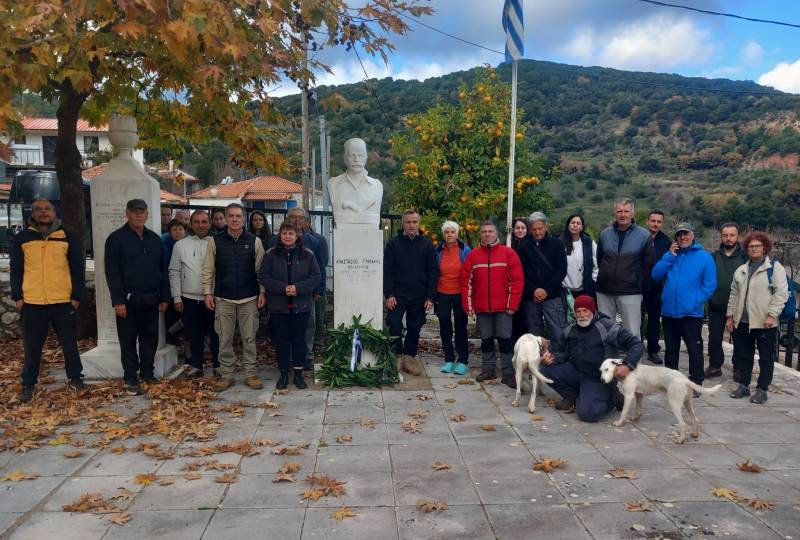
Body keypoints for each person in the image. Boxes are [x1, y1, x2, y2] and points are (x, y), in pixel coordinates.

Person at [11, 198, 86, 403]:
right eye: (39, 209)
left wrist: (76, 297)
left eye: (47, 209)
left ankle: (75, 379)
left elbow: (77, 269)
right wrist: (18, 297)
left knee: (69, 345)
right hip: (32, 302)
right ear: (33, 213)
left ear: (54, 212)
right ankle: (28, 384)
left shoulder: (67, 237)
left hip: (62, 301)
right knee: (32, 347)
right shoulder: (23, 238)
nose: (43, 212)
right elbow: (16, 270)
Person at [541, 295, 642, 421]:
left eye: (585, 311)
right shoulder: (570, 328)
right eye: (578, 311)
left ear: (592, 311)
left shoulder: (607, 327)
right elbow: (562, 352)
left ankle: (613, 397)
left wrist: (627, 365)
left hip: (599, 377)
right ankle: (573, 397)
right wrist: (552, 357)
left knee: (587, 414)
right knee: (545, 368)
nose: (581, 315)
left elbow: (636, 345)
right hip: (577, 372)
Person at [105, 199, 170, 395]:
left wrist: (164, 297)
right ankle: (130, 377)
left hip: (152, 299)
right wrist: (118, 301)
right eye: (135, 212)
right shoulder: (116, 239)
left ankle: (147, 374)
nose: (138, 215)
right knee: (128, 340)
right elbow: (112, 272)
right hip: (128, 301)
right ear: (127, 214)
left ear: (147, 214)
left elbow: (163, 270)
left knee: (149, 339)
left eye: (142, 212)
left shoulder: (154, 239)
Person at [202, 203, 266, 391]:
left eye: (238, 216)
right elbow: (208, 269)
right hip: (223, 298)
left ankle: (250, 374)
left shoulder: (255, 241)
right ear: (226, 218)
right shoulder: (214, 241)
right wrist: (207, 293)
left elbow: (261, 270)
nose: (235, 219)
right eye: (231, 216)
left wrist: (262, 292)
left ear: (243, 218)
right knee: (224, 339)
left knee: (249, 338)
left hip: (249, 298)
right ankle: (226, 375)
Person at [651, 223, 716, 388]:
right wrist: (669, 256)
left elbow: (710, 285)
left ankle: (696, 383)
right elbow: (655, 274)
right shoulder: (671, 256)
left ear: (692, 236)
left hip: (691, 314)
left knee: (694, 350)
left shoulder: (704, 257)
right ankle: (671, 383)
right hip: (669, 313)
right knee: (671, 350)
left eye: (686, 234)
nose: (683, 237)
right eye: (679, 235)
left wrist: (694, 303)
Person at [727, 232, 789, 404]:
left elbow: (781, 294)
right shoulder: (741, 270)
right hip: (742, 321)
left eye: (757, 246)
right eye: (751, 246)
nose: (754, 248)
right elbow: (734, 294)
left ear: (764, 248)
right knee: (743, 355)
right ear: (747, 249)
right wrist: (730, 316)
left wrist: (772, 315)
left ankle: (762, 389)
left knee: (766, 358)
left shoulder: (774, 268)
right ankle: (744, 385)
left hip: (765, 322)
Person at [461, 220, 524, 387]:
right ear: (480, 234)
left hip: (504, 308)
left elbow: (517, 281)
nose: (487, 234)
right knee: (486, 340)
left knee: (505, 340)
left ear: (496, 233)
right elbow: (466, 282)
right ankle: (489, 368)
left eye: (490, 231)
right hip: (482, 308)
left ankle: (508, 372)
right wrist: (468, 305)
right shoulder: (473, 255)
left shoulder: (508, 253)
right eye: (484, 232)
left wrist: (512, 304)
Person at [259, 221, 321, 389]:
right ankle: (284, 374)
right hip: (279, 306)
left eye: (291, 233)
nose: (287, 236)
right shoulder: (271, 254)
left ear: (297, 235)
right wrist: (282, 288)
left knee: (299, 340)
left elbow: (316, 276)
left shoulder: (307, 254)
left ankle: (299, 374)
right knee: (282, 341)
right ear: (280, 235)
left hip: (301, 306)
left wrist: (298, 288)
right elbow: (264, 276)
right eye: (284, 233)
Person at [271, 208, 327, 369]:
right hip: (281, 293)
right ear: (287, 219)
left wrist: (318, 289)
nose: (296, 220)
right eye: (293, 217)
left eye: (300, 218)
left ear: (305, 221)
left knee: (308, 324)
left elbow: (320, 268)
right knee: (285, 326)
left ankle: (306, 356)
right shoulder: (275, 241)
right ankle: (288, 357)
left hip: (306, 292)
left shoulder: (314, 241)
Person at [384, 209, 439, 376]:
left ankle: (409, 357)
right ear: (403, 224)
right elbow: (387, 270)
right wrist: (389, 295)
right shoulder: (393, 244)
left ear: (419, 224)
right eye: (408, 222)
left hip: (419, 295)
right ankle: (397, 356)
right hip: (397, 294)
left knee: (415, 326)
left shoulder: (427, 244)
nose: (411, 225)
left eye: (414, 222)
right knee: (394, 323)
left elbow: (433, 272)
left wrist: (430, 297)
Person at [169, 210, 220, 377]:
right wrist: (177, 297)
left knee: (217, 333)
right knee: (194, 333)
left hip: (215, 296)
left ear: (209, 224)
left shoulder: (217, 242)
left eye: (204, 221)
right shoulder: (180, 245)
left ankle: (219, 365)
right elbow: (174, 272)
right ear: (190, 224)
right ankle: (197, 365)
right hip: (190, 297)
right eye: (196, 222)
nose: (200, 225)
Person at [596, 197, 656, 337]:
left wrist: (636, 282)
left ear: (633, 212)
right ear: (614, 212)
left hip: (630, 292)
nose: (623, 215)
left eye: (626, 211)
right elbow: (600, 259)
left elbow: (649, 264)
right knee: (605, 332)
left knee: (632, 333)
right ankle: (610, 353)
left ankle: (633, 353)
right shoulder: (605, 234)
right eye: (619, 211)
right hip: (604, 291)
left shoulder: (644, 235)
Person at [516, 212, 568, 343]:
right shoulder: (523, 248)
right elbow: (520, 273)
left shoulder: (557, 244)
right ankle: (537, 356)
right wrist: (534, 290)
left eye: (540, 228)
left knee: (558, 332)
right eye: (534, 229)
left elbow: (561, 270)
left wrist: (545, 290)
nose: (537, 232)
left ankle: (559, 355)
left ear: (546, 227)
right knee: (534, 336)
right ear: (530, 229)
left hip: (552, 295)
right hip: (530, 297)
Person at [705, 222, 747, 379]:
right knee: (714, 339)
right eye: (725, 235)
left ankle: (739, 368)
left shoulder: (745, 257)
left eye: (732, 235)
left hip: (738, 308)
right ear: (721, 237)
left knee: (740, 340)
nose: (728, 238)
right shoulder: (713, 257)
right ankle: (715, 366)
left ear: (738, 236)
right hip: (716, 305)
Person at [435, 221, 471, 375]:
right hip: (442, 293)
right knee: (445, 328)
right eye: (446, 232)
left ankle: (463, 361)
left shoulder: (465, 250)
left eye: (452, 232)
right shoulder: (438, 251)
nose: (449, 235)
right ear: (443, 234)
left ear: (457, 234)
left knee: (461, 327)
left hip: (459, 293)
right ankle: (448, 359)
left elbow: (471, 272)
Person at [328, 137, 384, 228]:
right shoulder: (333, 184)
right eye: (352, 155)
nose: (356, 159)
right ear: (345, 158)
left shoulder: (377, 186)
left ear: (366, 158)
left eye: (360, 155)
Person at [642, 210, 672, 364]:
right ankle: (635, 346)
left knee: (654, 319)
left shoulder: (666, 241)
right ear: (647, 221)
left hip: (657, 287)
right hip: (638, 285)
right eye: (653, 221)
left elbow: (669, 263)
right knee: (637, 318)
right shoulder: (639, 237)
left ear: (662, 223)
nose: (655, 224)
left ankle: (653, 350)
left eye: (659, 222)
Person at [560, 213, 597, 299]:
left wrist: (592, 280)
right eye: (572, 223)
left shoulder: (589, 243)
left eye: (578, 223)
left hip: (585, 290)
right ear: (568, 225)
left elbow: (597, 265)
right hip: (564, 290)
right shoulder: (559, 243)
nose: (575, 225)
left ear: (582, 227)